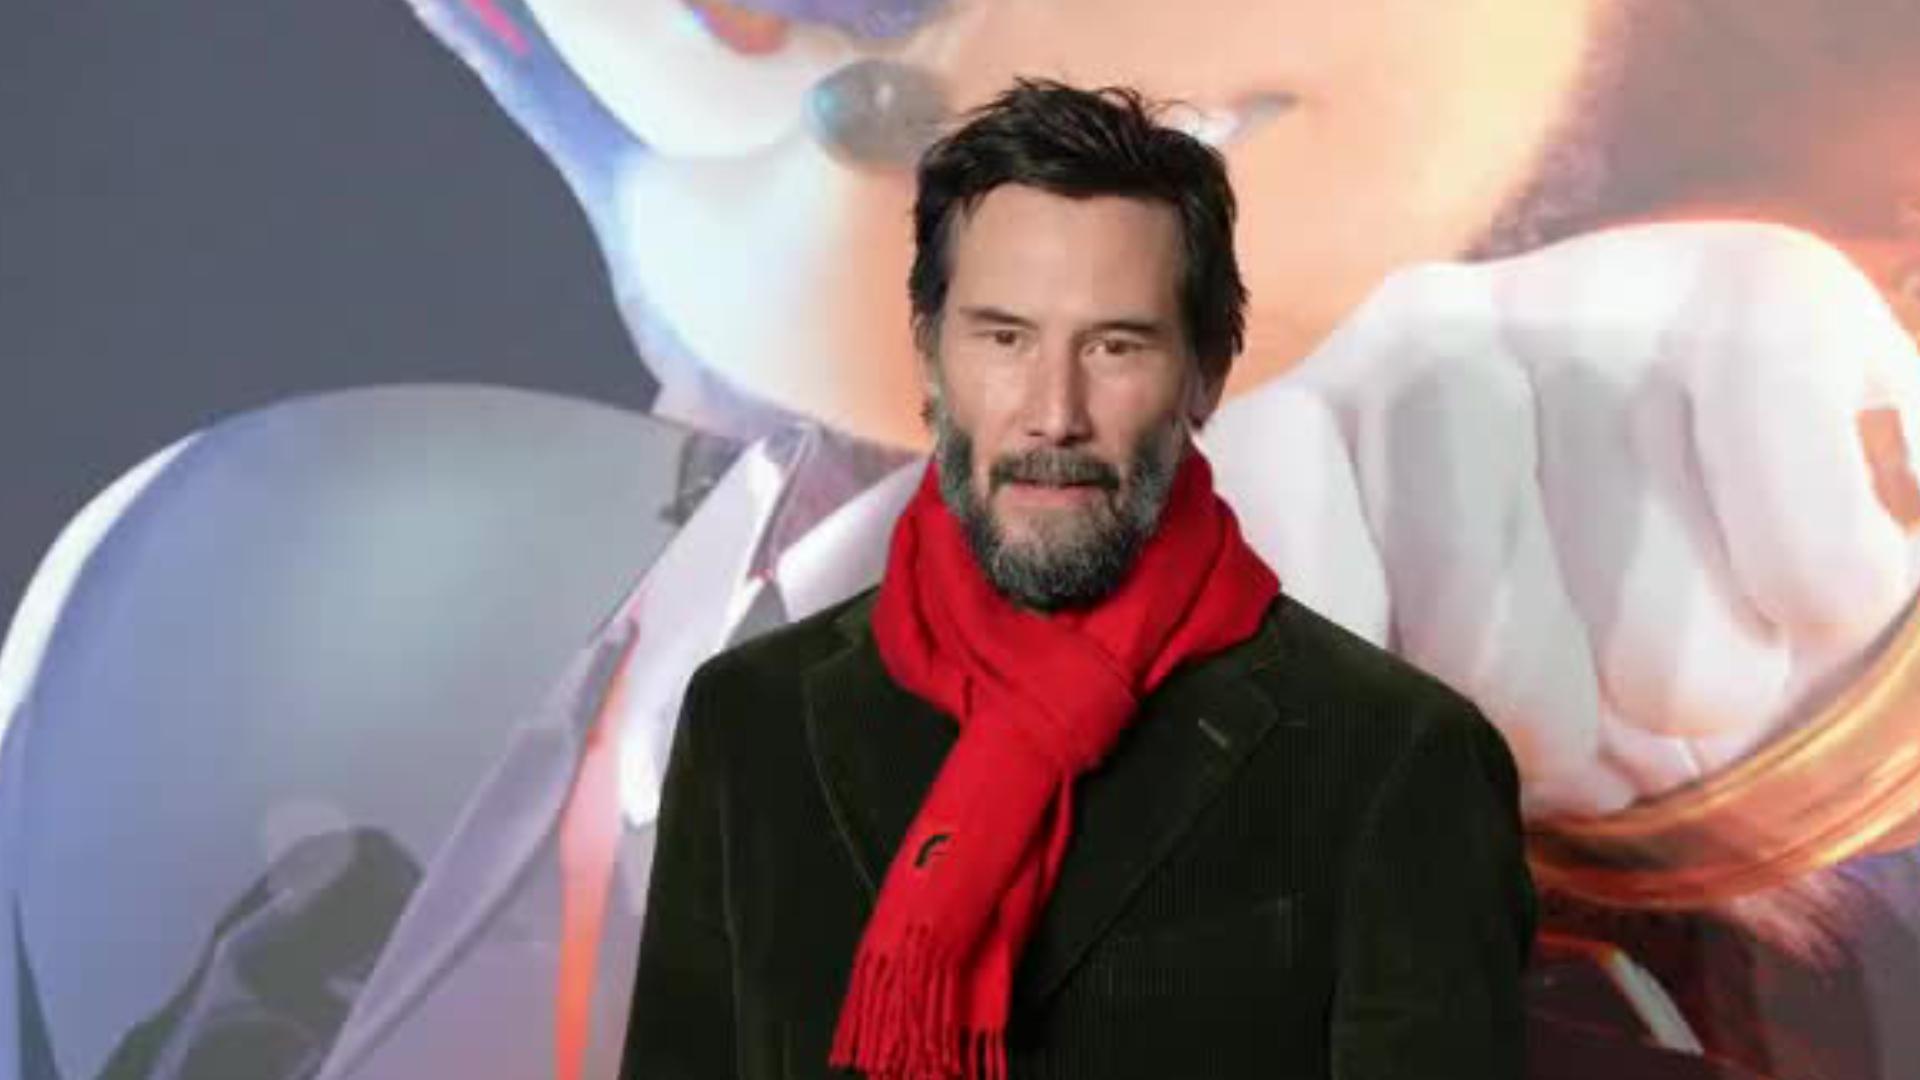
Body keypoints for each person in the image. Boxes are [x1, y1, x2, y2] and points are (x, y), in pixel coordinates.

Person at [622, 80, 1536, 1080]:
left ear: (1206, 372)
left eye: (1114, 346)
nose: (1054, 413)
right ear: (930, 359)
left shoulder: (1395, 759)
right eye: (1004, 337)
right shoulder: (750, 724)